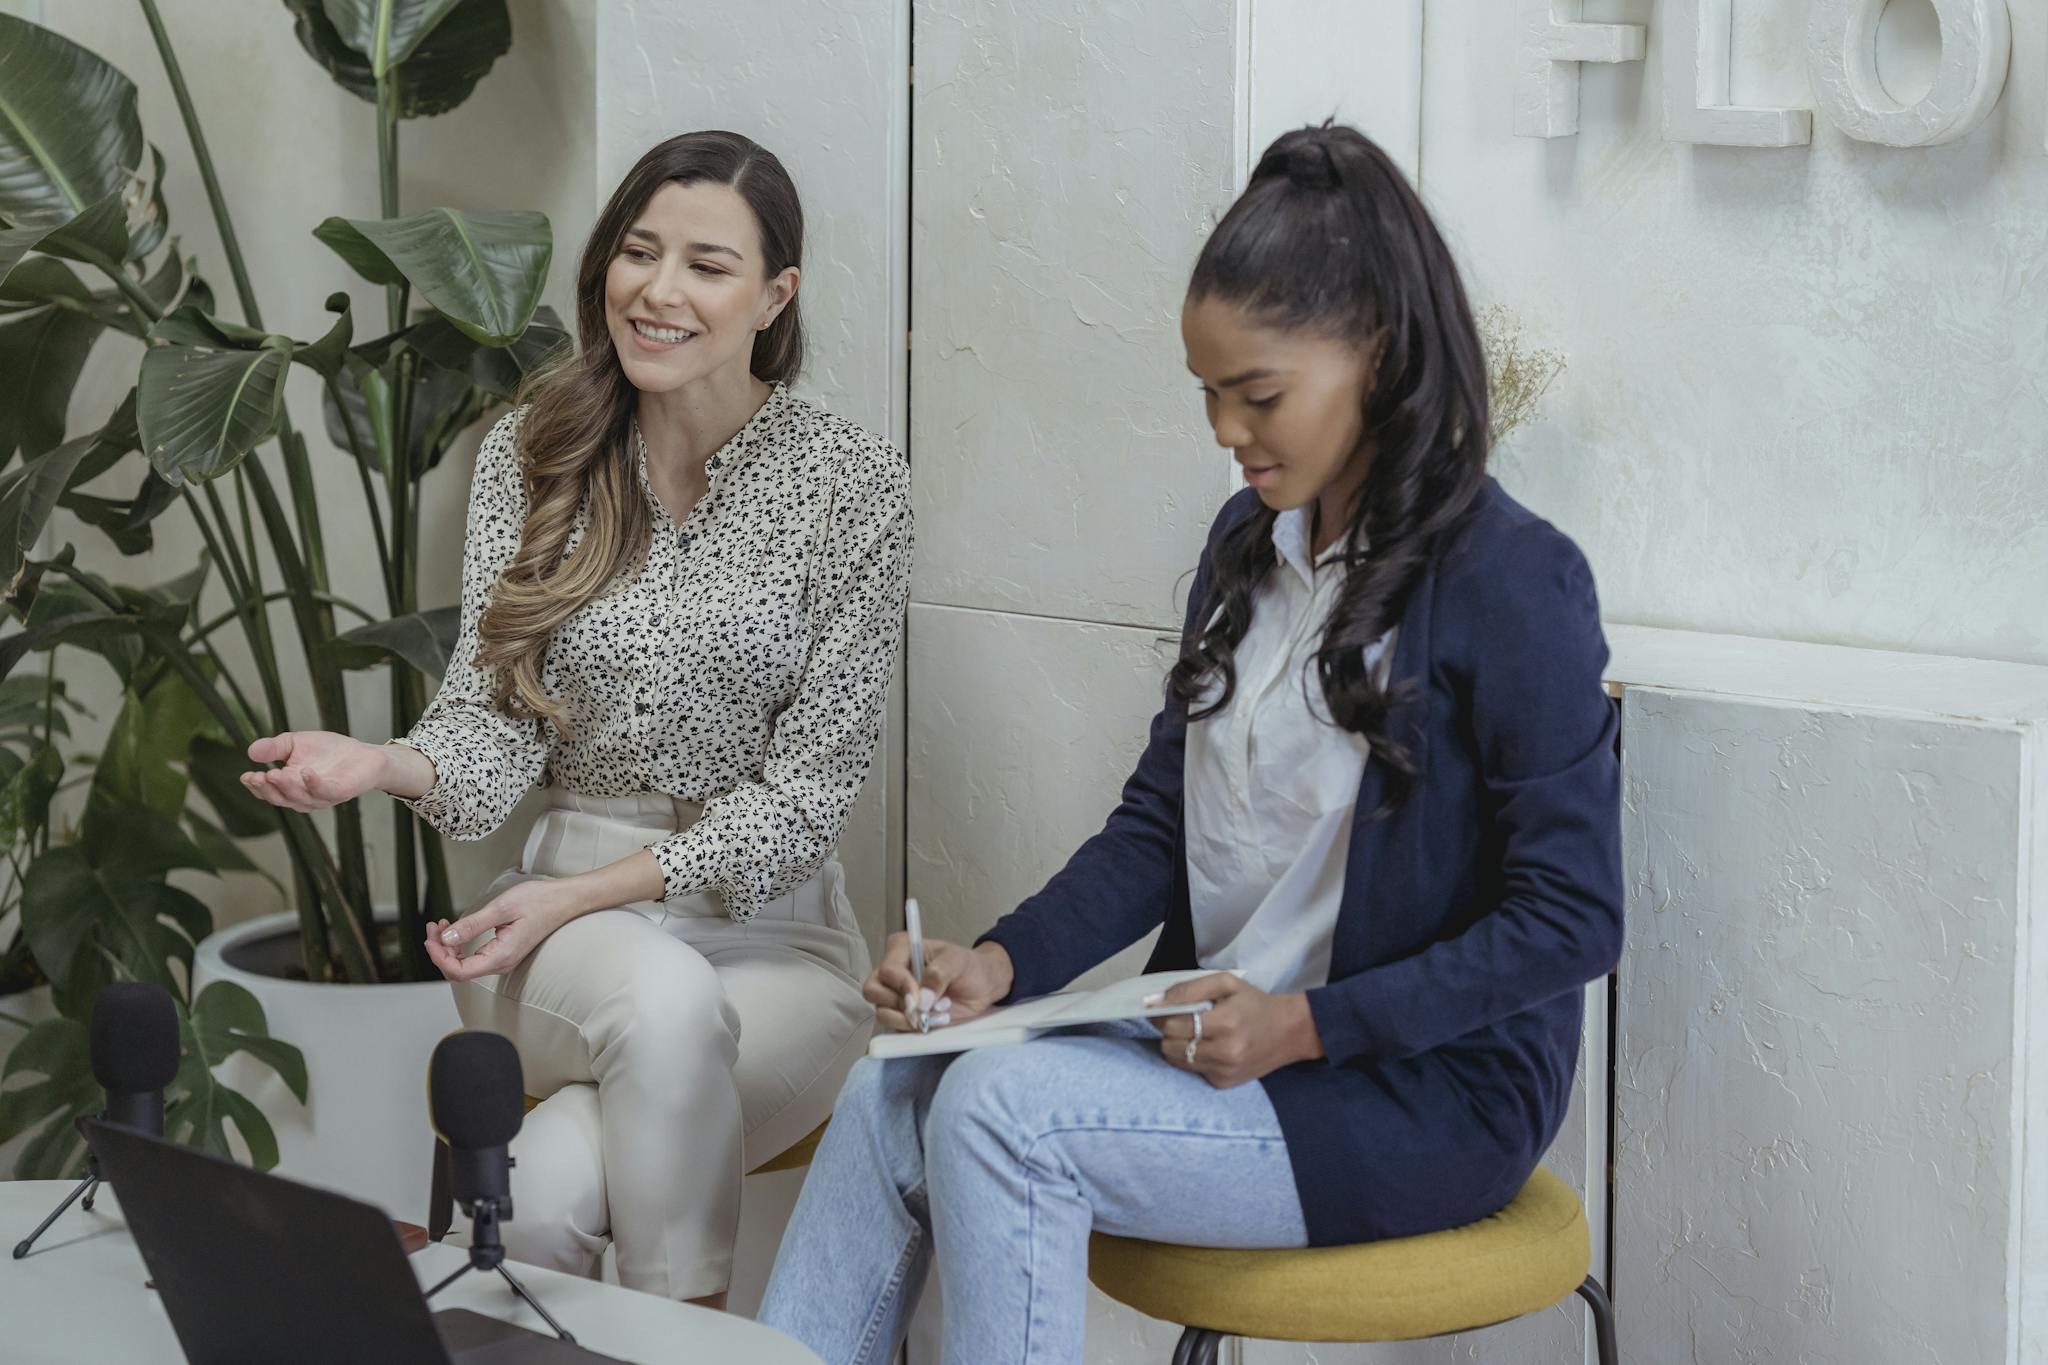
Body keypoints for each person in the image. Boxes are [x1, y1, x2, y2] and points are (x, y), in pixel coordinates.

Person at [756, 123, 1622, 1364]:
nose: (1225, 427)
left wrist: (1301, 1028)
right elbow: (1159, 829)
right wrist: (1000, 964)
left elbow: (1572, 919)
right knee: (892, 1081)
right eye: (1207, 393)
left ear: (1373, 349)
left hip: (1412, 1095)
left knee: (1004, 1118)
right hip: (1215, 1045)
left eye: (1257, 394)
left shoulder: (1513, 580)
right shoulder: (1245, 544)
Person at [239, 130, 912, 1306]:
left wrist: (590, 892)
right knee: (657, 998)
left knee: (548, 1190)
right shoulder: (537, 454)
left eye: (707, 264)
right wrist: (382, 764)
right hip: (551, 946)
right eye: (637, 252)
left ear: (774, 295)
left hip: (781, 946)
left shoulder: (852, 486)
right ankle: (695, 1337)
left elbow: (807, 798)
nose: (658, 290)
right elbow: (492, 737)